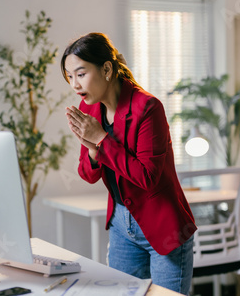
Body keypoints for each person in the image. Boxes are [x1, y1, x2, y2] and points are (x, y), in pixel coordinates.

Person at [61, 32, 196, 295]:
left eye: (81, 73)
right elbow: (87, 174)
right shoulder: (89, 108)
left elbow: (147, 177)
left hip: (162, 225)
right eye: (69, 76)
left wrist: (101, 138)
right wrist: (92, 150)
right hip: (122, 224)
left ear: (107, 69)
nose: (75, 85)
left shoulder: (148, 108)